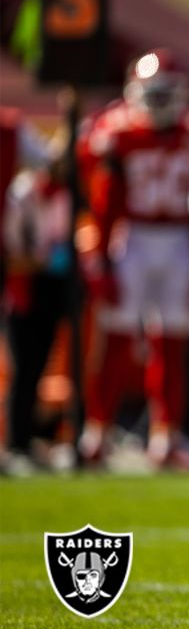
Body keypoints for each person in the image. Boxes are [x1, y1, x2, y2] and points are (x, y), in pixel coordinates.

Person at [79, 49, 189, 468]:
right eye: (152, 94)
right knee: (115, 340)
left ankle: (165, 436)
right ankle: (97, 431)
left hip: (179, 239)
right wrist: (101, 257)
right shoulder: (118, 136)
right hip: (134, 238)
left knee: (172, 343)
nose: (158, 103)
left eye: (165, 94)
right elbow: (105, 203)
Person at [2, 107, 71, 472]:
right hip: (25, 286)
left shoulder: (65, 194)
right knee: (23, 367)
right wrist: (42, 259)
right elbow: (15, 251)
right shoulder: (24, 193)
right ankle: (16, 441)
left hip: (51, 285)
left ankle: (29, 439)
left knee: (42, 364)